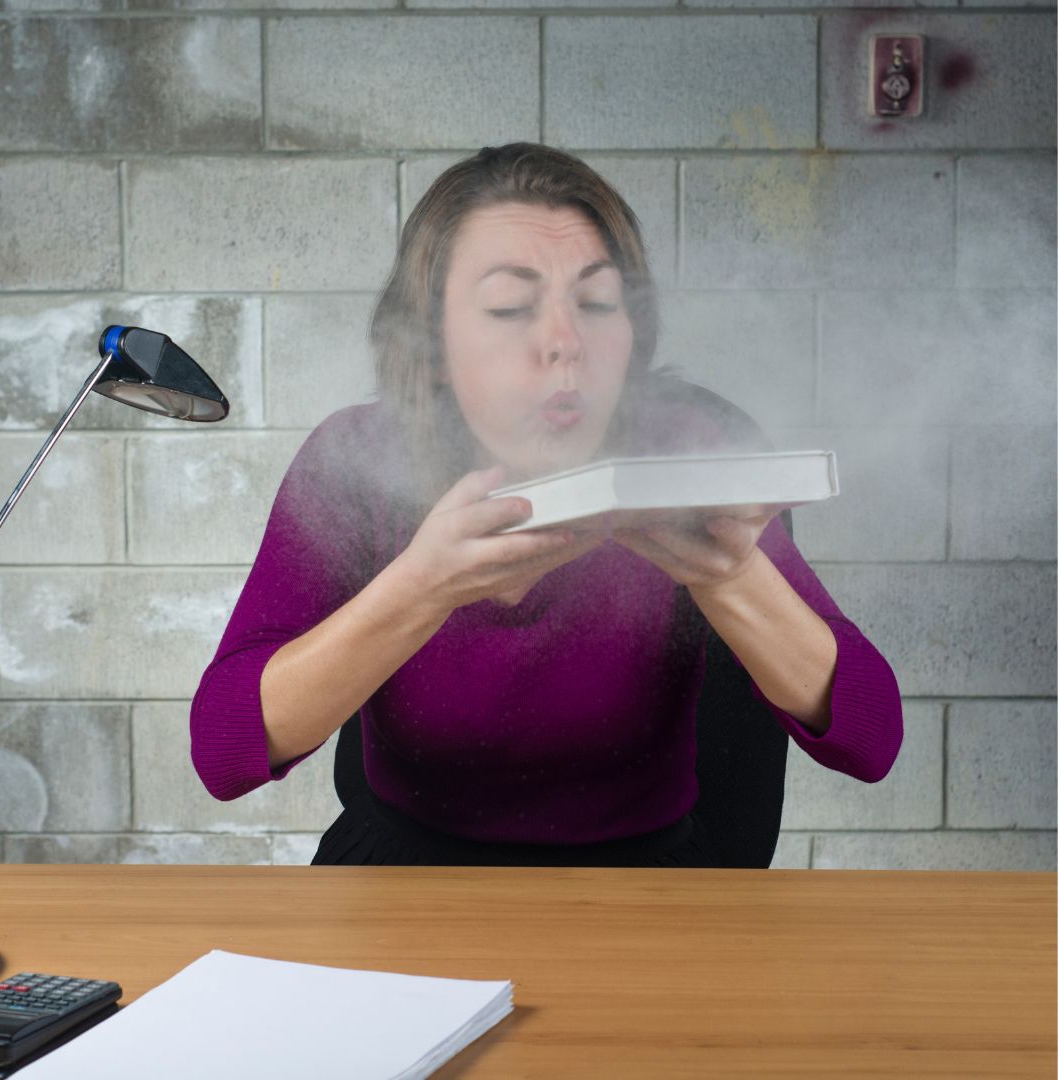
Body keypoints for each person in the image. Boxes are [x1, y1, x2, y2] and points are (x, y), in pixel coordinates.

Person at [190, 143, 902, 867]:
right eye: (509, 307)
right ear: (432, 343)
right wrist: (420, 589)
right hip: (403, 876)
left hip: (648, 884)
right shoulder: (358, 462)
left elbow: (871, 740)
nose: (566, 343)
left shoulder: (691, 445)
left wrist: (730, 577)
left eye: (597, 303)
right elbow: (225, 749)